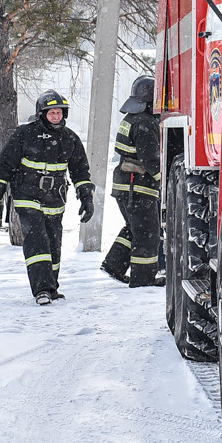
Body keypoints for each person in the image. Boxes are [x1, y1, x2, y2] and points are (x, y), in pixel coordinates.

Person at [0, 90, 95, 306]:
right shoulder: (24, 134)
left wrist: (86, 199)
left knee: (53, 243)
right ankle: (41, 289)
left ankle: (51, 287)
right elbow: (3, 167)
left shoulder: (70, 138)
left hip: (56, 198)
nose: (56, 116)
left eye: (59, 113)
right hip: (27, 195)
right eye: (52, 112)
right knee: (37, 240)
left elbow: (81, 172)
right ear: (42, 114)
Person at [100, 76, 163, 288]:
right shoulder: (145, 122)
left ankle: (114, 265)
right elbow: (151, 159)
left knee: (134, 228)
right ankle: (143, 279)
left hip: (126, 185)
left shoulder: (131, 118)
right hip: (138, 187)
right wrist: (162, 180)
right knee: (147, 233)